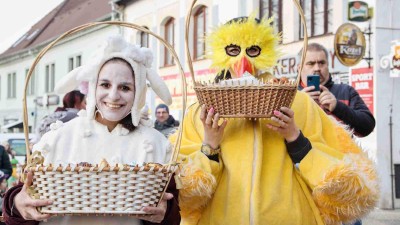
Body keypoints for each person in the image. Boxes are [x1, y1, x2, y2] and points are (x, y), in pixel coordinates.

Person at [174, 16, 378, 225]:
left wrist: (297, 141)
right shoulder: (201, 111)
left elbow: (351, 186)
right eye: (233, 50)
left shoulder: (299, 102)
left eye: (253, 50)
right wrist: (209, 147)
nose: (244, 60)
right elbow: (180, 195)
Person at [2, 36, 180, 225]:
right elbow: (22, 200)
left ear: (138, 93)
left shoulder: (155, 144)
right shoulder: (59, 137)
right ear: (92, 86)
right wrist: (17, 203)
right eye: (105, 85)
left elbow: (173, 213)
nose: (113, 95)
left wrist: (165, 213)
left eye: (125, 87)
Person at [298, 43, 375, 137]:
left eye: (322, 63)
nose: (317, 68)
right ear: (299, 68)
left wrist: (337, 107)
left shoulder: (346, 91)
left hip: (342, 151)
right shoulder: (289, 94)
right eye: (311, 63)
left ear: (328, 65)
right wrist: (299, 103)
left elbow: (367, 127)